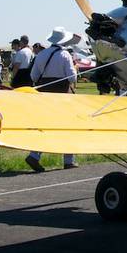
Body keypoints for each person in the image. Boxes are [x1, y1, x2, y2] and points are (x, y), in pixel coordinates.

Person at [24, 27, 78, 171]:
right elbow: (72, 77)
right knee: (68, 128)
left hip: (44, 95)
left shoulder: (41, 55)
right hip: (62, 95)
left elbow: (33, 77)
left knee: (44, 126)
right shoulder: (65, 55)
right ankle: (68, 160)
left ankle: (34, 155)